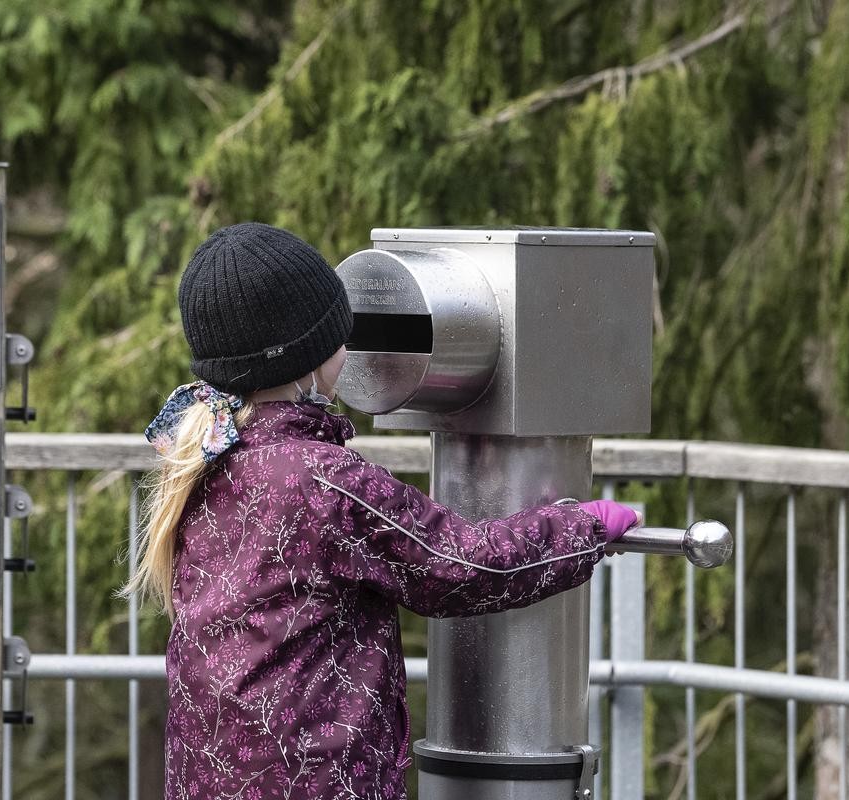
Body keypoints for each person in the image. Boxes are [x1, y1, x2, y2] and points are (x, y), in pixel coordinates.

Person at [126, 222, 641, 800]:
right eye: (341, 333)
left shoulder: (204, 457)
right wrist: (585, 527)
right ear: (309, 356)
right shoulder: (323, 481)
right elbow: (463, 566)